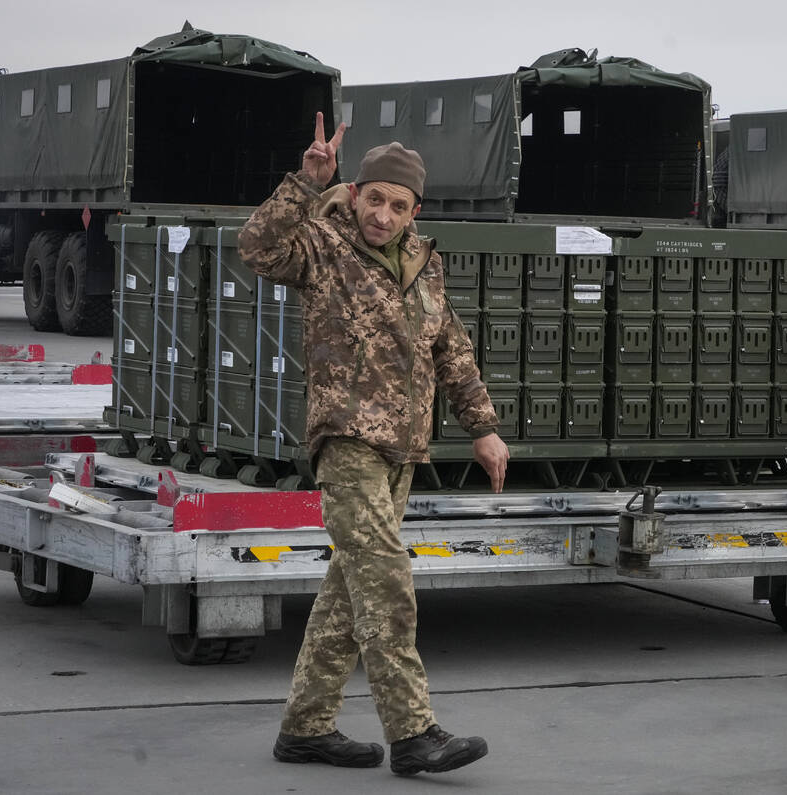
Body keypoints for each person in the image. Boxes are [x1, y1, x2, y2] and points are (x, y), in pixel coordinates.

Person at [238, 112, 510, 776]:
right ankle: (414, 732)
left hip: (402, 453)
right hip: (347, 443)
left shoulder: (426, 264)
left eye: (398, 205)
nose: (383, 216)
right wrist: (306, 183)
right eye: (374, 199)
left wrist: (483, 426)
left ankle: (305, 726)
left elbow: (452, 349)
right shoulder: (323, 247)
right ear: (355, 194)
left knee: (346, 591)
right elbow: (255, 247)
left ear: (415, 210)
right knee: (386, 582)